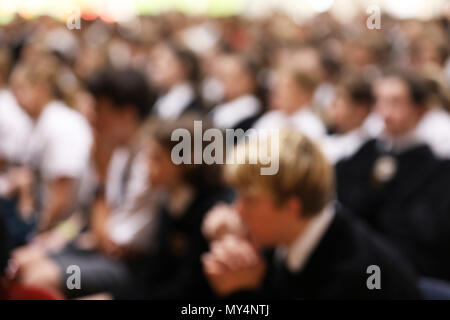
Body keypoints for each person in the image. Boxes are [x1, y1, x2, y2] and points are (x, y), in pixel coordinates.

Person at [202, 129, 421, 299]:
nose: (236, 210)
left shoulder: (355, 274)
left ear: (291, 207)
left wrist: (242, 295)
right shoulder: (286, 238)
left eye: (249, 200)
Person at [335, 71, 450, 281]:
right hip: (360, 263)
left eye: (396, 102)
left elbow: (426, 231)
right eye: (380, 102)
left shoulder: (436, 166)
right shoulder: (368, 151)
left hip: (409, 273)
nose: (385, 112)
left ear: (420, 109)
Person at [113, 116, 234, 299]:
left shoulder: (213, 209)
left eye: (156, 158)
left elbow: (190, 288)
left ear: (186, 162)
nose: (145, 164)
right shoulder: (171, 199)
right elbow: (157, 267)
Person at [9, 56, 93, 234]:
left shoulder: (60, 124)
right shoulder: (42, 121)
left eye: (21, 89)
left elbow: (63, 196)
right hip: (47, 219)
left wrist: (39, 235)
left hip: (67, 227)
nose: (16, 98)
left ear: (42, 89)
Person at [252, 67, 326, 142]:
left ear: (303, 95)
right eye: (277, 87)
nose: (277, 91)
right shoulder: (269, 119)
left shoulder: (312, 126)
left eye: (285, 87)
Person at [322, 74, 375, 164]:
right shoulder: (327, 134)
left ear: (361, 110)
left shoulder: (368, 150)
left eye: (340, 97)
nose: (333, 103)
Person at [150, 42, 203, 121]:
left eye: (163, 59)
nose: (157, 65)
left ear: (183, 66)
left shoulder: (193, 103)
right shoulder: (159, 97)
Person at [209, 53, 263, 131]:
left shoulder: (248, 113)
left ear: (247, 80)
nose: (220, 82)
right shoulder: (222, 106)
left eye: (226, 77)